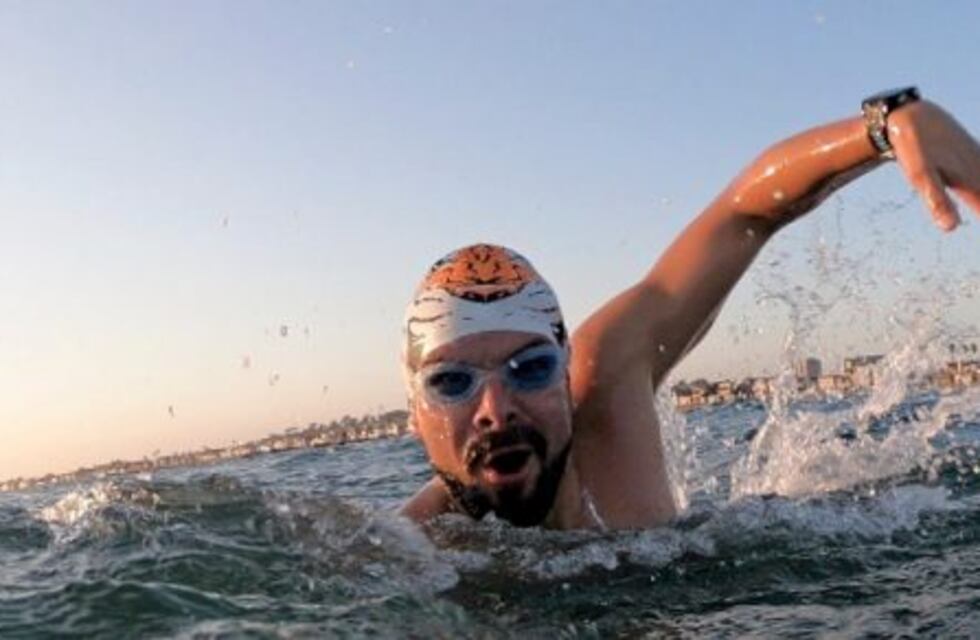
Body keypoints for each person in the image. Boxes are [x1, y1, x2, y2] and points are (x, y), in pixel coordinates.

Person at [398, 88, 980, 530]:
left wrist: (886, 125)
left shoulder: (606, 381)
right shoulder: (407, 556)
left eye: (531, 368)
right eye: (452, 382)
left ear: (565, 370)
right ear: (414, 412)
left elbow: (744, 214)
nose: (496, 410)